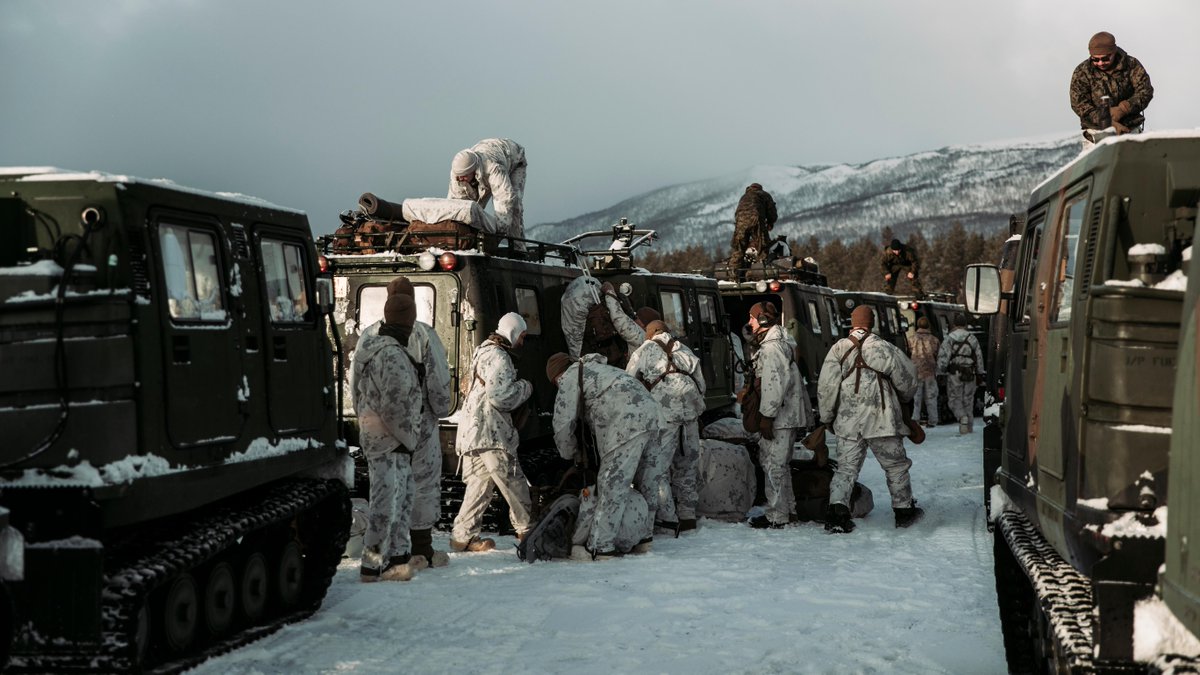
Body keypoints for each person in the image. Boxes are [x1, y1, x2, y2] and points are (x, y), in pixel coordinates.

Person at [817, 305, 923, 533]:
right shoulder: (884, 348)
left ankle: (837, 514)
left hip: (848, 422)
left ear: (852, 322)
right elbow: (908, 380)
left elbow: (826, 388)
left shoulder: (838, 349)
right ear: (872, 322)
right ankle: (904, 511)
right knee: (895, 466)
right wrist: (902, 399)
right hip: (882, 420)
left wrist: (827, 416)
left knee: (845, 469)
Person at [548, 352, 661, 558]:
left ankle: (601, 546)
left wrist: (569, 453)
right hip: (653, 413)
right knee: (649, 481)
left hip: (626, 421)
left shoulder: (569, 377)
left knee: (611, 484)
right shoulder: (600, 369)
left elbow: (563, 425)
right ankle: (644, 538)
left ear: (557, 376)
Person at [349, 293, 427, 581]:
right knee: (386, 504)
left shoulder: (372, 348)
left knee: (402, 499)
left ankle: (398, 557)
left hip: (382, 439)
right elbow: (395, 406)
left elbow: (357, 394)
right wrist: (408, 439)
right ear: (407, 322)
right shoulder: (392, 354)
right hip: (391, 441)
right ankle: (371, 564)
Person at [450, 313, 536, 552]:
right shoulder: (500, 357)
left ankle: (462, 536)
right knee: (514, 482)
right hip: (492, 432)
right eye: (522, 336)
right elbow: (501, 397)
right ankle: (528, 532)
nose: (522, 342)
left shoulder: (483, 351)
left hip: (473, 431)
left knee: (479, 485)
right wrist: (526, 387)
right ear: (512, 332)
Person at [385, 277, 452, 567]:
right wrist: (441, 409)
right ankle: (421, 548)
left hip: (383, 424)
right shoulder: (423, 334)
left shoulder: (371, 334)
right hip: (419, 422)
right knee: (422, 483)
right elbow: (438, 381)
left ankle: (390, 549)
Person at [625, 319, 706, 534]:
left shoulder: (644, 350)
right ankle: (687, 516)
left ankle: (661, 521)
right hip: (690, 415)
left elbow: (629, 383)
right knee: (687, 465)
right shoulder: (685, 350)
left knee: (656, 470)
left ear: (650, 334)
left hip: (664, 416)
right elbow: (702, 384)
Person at [746, 301, 808, 529]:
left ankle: (777, 516)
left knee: (773, 465)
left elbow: (774, 385)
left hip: (779, 418)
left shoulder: (772, 349)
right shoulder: (782, 343)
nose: (749, 322)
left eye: (752, 317)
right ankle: (787, 511)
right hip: (786, 416)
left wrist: (767, 417)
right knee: (781, 465)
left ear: (762, 319)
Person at [1070, 32, 1153, 150]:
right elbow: (1079, 105)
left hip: (1130, 131)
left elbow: (1145, 91)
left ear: (1114, 52)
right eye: (1095, 59)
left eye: (1105, 59)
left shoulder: (1131, 65)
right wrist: (1108, 122)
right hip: (1095, 136)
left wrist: (1122, 109)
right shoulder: (1082, 72)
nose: (1100, 63)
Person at [447, 138, 528, 244]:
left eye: (464, 176)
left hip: (514, 159)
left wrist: (497, 236)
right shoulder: (458, 173)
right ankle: (472, 241)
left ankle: (518, 248)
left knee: (514, 205)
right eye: (458, 176)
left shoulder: (493, 169)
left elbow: (504, 201)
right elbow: (455, 204)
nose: (460, 179)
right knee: (472, 208)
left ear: (473, 171)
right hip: (485, 156)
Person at [937, 314, 985, 435]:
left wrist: (941, 372)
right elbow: (978, 356)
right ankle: (968, 427)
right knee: (968, 400)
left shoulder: (949, 338)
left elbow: (943, 357)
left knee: (954, 399)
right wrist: (980, 372)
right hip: (970, 373)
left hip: (955, 373)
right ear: (965, 324)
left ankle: (962, 417)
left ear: (954, 324)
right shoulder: (972, 338)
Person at [729, 183, 778, 276]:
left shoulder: (744, 197)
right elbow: (772, 212)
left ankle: (733, 274)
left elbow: (737, 213)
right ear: (760, 188)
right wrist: (771, 222)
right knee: (762, 247)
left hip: (740, 224)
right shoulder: (764, 194)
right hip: (756, 221)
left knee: (739, 249)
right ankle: (762, 273)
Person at [907, 316, 941, 427]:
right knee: (931, 397)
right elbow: (938, 356)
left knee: (916, 398)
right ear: (928, 326)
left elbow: (908, 353)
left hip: (915, 372)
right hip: (930, 372)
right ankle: (933, 421)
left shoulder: (911, 339)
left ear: (917, 325)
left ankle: (915, 420)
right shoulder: (935, 340)